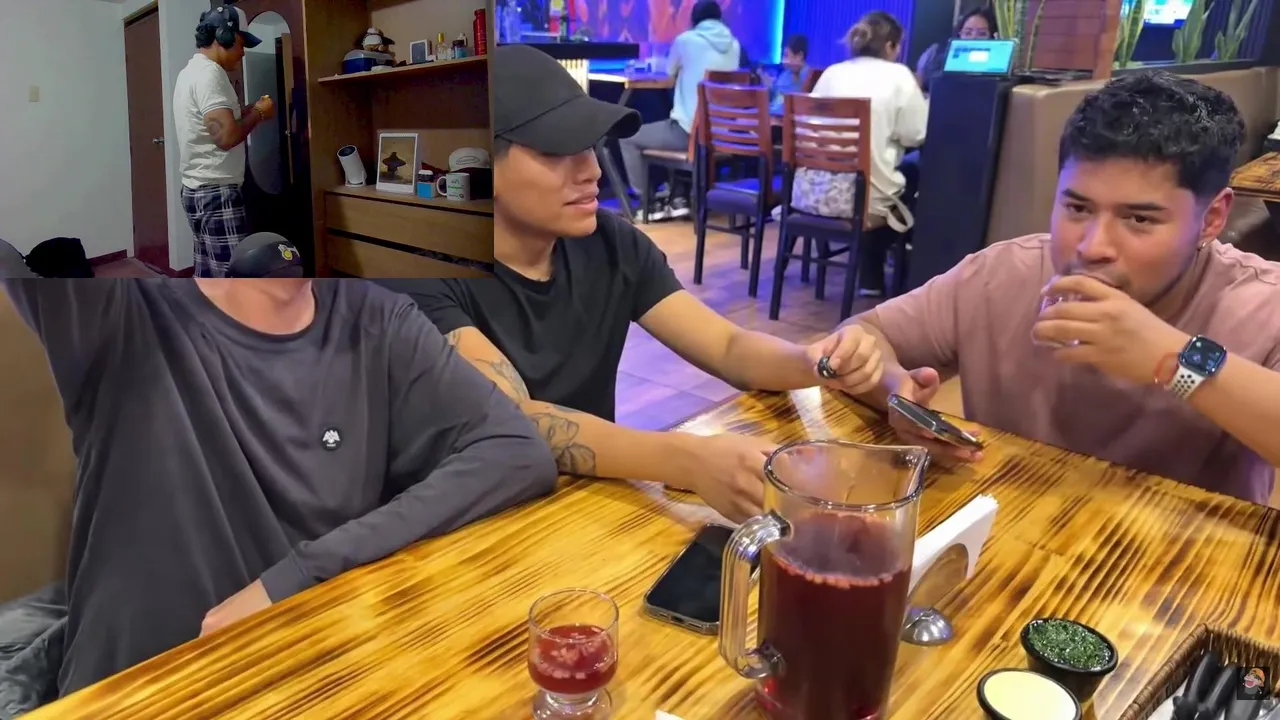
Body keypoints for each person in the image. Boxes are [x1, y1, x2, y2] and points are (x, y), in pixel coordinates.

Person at [0, 277, 557, 710]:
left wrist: (295, 578)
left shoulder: (374, 317)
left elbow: (514, 452)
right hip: (136, 698)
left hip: (303, 686)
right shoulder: (121, 308)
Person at [379, 44, 880, 525]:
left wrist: (817, 362)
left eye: (590, 146)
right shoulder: (419, 269)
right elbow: (513, 417)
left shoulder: (610, 244)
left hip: (584, 503)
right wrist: (685, 460)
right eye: (558, 149)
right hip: (461, 525)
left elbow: (727, 346)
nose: (592, 170)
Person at [829, 71, 1280, 505]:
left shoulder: (1262, 303)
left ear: (1212, 218)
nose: (1093, 246)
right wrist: (896, 392)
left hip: (1182, 553)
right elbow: (866, 332)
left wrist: (1171, 360)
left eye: (1139, 218)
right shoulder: (1003, 274)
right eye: (1078, 208)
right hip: (1013, 529)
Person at [799, 11, 928, 297]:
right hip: (863, 202)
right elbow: (917, 134)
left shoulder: (831, 73)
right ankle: (890, 275)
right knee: (912, 170)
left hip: (813, 192)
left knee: (880, 177)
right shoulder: (900, 76)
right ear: (891, 46)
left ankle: (871, 277)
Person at [174, 5, 277, 278]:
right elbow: (225, 136)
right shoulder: (210, 75)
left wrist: (247, 110)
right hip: (217, 193)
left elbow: (213, 124)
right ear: (225, 36)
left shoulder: (190, 72)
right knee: (233, 278)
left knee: (208, 274)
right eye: (241, 44)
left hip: (196, 188)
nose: (243, 53)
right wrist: (259, 113)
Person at [618, 0, 741, 220]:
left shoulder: (685, 40)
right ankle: (677, 196)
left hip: (689, 134)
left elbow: (668, 71)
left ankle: (648, 203)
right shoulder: (734, 46)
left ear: (693, 19)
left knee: (627, 136)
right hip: (720, 136)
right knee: (670, 118)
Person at [915, 7, 997, 94]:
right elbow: (918, 82)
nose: (973, 38)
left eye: (982, 34)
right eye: (968, 33)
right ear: (959, 34)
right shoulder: (935, 53)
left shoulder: (996, 65)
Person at [768, 35, 811, 116]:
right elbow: (776, 98)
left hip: (786, 118)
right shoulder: (785, 74)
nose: (783, 61)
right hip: (773, 114)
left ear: (799, 56)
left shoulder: (808, 77)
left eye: (786, 55)